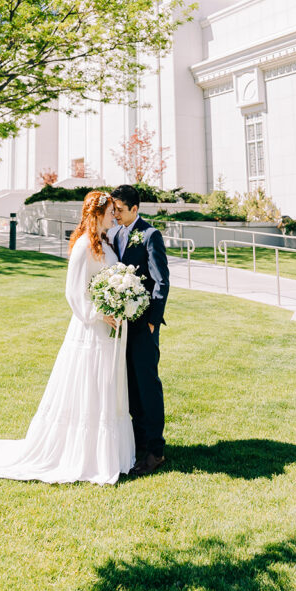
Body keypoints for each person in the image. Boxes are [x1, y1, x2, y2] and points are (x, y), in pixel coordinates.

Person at [0, 191, 134, 485]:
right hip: (90, 328)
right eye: (110, 211)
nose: (114, 215)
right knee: (89, 385)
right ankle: (83, 455)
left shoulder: (106, 243)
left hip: (108, 330)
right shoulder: (82, 247)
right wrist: (98, 313)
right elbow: (74, 292)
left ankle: (108, 453)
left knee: (105, 385)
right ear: (97, 213)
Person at [110, 184, 170, 476]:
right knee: (131, 387)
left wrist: (151, 320)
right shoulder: (115, 235)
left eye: (120, 209)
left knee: (147, 386)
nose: (115, 213)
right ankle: (139, 443)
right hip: (122, 328)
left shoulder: (150, 235)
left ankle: (155, 451)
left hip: (143, 325)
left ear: (135, 209)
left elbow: (161, 281)